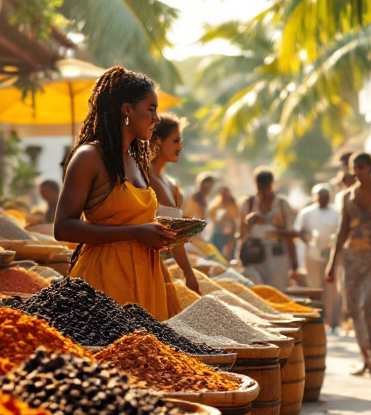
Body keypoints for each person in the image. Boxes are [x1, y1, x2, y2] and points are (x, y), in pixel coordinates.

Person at [53, 67, 176, 319]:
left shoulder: (136, 160)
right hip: (105, 283)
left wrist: (162, 233)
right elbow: (63, 227)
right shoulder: (90, 157)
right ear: (127, 109)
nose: (156, 119)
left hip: (146, 278)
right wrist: (134, 233)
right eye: (151, 109)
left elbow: (144, 216)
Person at [328, 153, 371, 376]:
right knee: (356, 310)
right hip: (352, 261)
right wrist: (331, 264)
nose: (357, 171)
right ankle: (366, 357)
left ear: (370, 167)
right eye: (353, 167)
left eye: (361, 167)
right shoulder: (347, 196)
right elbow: (342, 231)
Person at [148, 113, 202, 303]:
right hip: (147, 267)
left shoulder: (170, 183)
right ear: (158, 141)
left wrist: (188, 273)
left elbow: (175, 236)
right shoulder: (143, 178)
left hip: (163, 269)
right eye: (176, 140)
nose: (180, 146)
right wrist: (188, 273)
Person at [239, 169, 301, 289]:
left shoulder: (282, 205)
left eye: (265, 186)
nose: (263, 190)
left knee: (277, 291)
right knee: (257, 292)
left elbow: (291, 235)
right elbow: (242, 233)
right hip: (255, 255)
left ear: (272, 185)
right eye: (260, 186)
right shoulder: (248, 204)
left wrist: (294, 263)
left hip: (277, 256)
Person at [295, 183, 342, 326]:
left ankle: (332, 320)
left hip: (332, 255)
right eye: (320, 196)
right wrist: (307, 238)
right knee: (314, 286)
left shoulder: (337, 213)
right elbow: (299, 232)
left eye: (326, 196)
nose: (323, 199)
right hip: (313, 255)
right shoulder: (307, 213)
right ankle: (317, 319)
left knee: (331, 288)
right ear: (315, 197)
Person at [210, 187, 241, 259]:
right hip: (219, 233)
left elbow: (235, 217)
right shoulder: (216, 205)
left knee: (230, 253)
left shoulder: (233, 204)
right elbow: (213, 217)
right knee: (218, 253)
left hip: (230, 233)